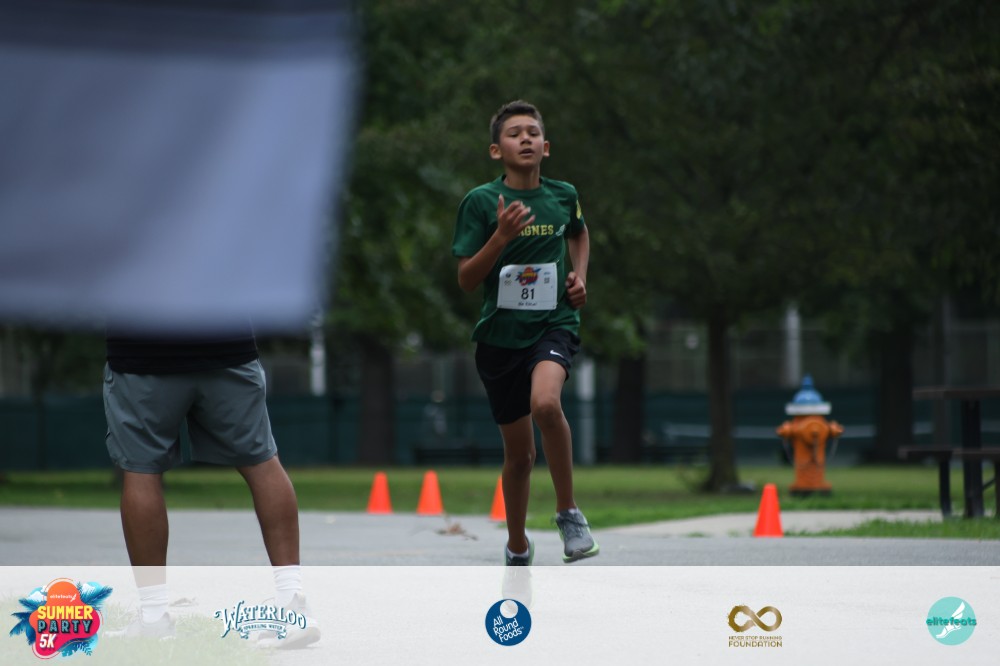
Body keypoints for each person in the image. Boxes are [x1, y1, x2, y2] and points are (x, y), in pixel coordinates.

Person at [102, 328, 319, 648]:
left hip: (142, 352)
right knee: (262, 462)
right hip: (226, 341)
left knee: (141, 472)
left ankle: (153, 617)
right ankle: (293, 603)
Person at [452, 100, 599, 566]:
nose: (526, 139)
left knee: (546, 404)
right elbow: (466, 279)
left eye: (533, 132)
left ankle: (568, 514)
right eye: (515, 133)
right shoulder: (480, 202)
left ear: (546, 146)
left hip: (553, 324)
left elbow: (579, 232)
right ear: (496, 150)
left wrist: (579, 277)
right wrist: (500, 236)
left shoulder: (563, 194)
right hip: (499, 339)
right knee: (519, 456)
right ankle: (517, 542)